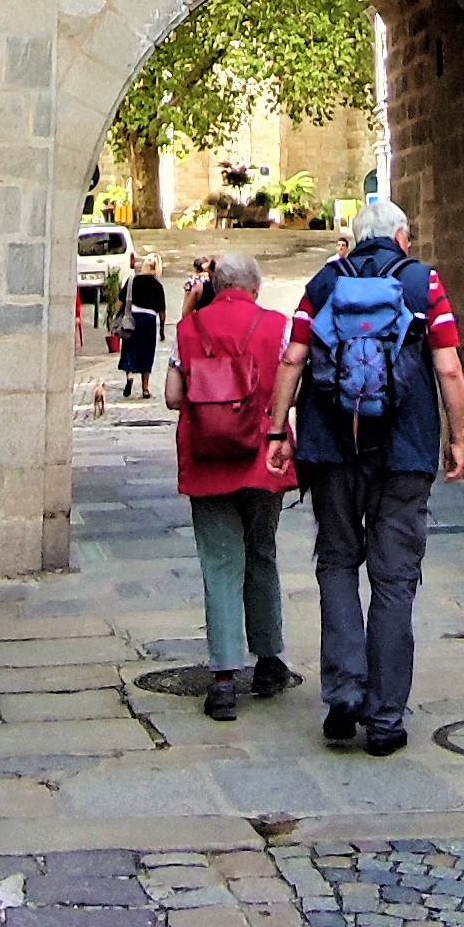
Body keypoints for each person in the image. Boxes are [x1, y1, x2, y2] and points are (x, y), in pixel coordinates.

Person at [262, 194, 464, 755]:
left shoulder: (324, 283)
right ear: (402, 238)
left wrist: (278, 432)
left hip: (331, 449)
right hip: (404, 451)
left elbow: (293, 358)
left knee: (336, 564)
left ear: (353, 239)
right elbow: (448, 367)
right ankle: (385, 719)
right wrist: (456, 438)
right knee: (394, 579)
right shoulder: (425, 284)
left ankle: (343, 696)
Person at [164, 253, 299, 721]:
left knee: (220, 562)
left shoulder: (188, 329)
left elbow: (173, 396)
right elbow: (293, 389)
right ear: (255, 287)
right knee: (262, 551)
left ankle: (223, 679)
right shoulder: (277, 325)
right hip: (263, 457)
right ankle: (269, 659)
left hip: (208, 461)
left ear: (216, 286)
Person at [118, 261, 166, 399]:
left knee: (130, 348)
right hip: (149, 320)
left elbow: (121, 301)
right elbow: (162, 311)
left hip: (132, 318)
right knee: (147, 352)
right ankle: (145, 388)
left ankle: (130, 375)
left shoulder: (132, 280)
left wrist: (116, 318)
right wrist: (162, 330)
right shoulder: (157, 285)